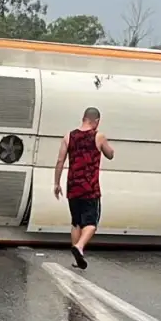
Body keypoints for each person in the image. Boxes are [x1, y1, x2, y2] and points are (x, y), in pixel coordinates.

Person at [54, 107, 115, 270]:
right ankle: (79, 246)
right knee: (91, 222)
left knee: (76, 223)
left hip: (73, 185)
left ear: (83, 118)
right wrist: (107, 146)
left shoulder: (69, 136)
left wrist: (56, 182)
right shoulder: (98, 136)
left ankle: (76, 258)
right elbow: (110, 154)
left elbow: (60, 161)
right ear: (96, 121)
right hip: (90, 186)